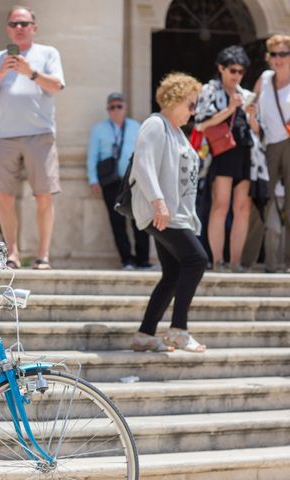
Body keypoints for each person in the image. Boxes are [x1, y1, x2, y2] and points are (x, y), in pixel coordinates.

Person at [0, 5, 65, 270]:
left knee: (44, 197)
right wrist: (3, 71)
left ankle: (42, 256)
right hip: (6, 136)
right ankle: (12, 254)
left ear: (34, 27)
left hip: (40, 135)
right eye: (14, 24)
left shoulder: (48, 53)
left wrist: (30, 71)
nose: (19, 28)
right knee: (5, 197)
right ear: (8, 28)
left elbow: (57, 85)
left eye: (24, 24)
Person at [130, 72, 207, 353]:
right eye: (190, 104)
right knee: (197, 260)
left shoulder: (177, 133)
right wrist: (158, 201)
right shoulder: (155, 124)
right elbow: (144, 164)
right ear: (175, 100)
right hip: (162, 213)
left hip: (176, 214)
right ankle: (179, 330)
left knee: (174, 273)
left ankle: (145, 334)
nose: (193, 110)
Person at [195, 46, 258, 272]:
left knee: (243, 208)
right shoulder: (209, 90)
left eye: (241, 71)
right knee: (220, 206)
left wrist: (251, 115)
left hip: (245, 150)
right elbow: (201, 123)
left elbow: (257, 131)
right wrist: (230, 109)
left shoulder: (246, 93)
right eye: (233, 70)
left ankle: (235, 262)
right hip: (222, 152)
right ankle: (218, 261)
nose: (237, 76)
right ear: (221, 68)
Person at [87, 92, 151, 270]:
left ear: (125, 108)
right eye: (112, 107)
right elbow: (92, 156)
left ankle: (143, 259)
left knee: (140, 219)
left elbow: (144, 152)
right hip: (111, 182)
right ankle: (127, 260)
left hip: (133, 180)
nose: (116, 110)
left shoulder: (135, 127)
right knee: (117, 221)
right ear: (108, 110)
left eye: (119, 106)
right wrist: (93, 179)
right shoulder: (99, 129)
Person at [255, 34, 290, 272]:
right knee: (262, 200)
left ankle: (286, 261)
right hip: (269, 146)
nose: (277, 59)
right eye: (273, 54)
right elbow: (253, 107)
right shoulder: (265, 79)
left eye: (283, 54)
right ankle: (258, 260)